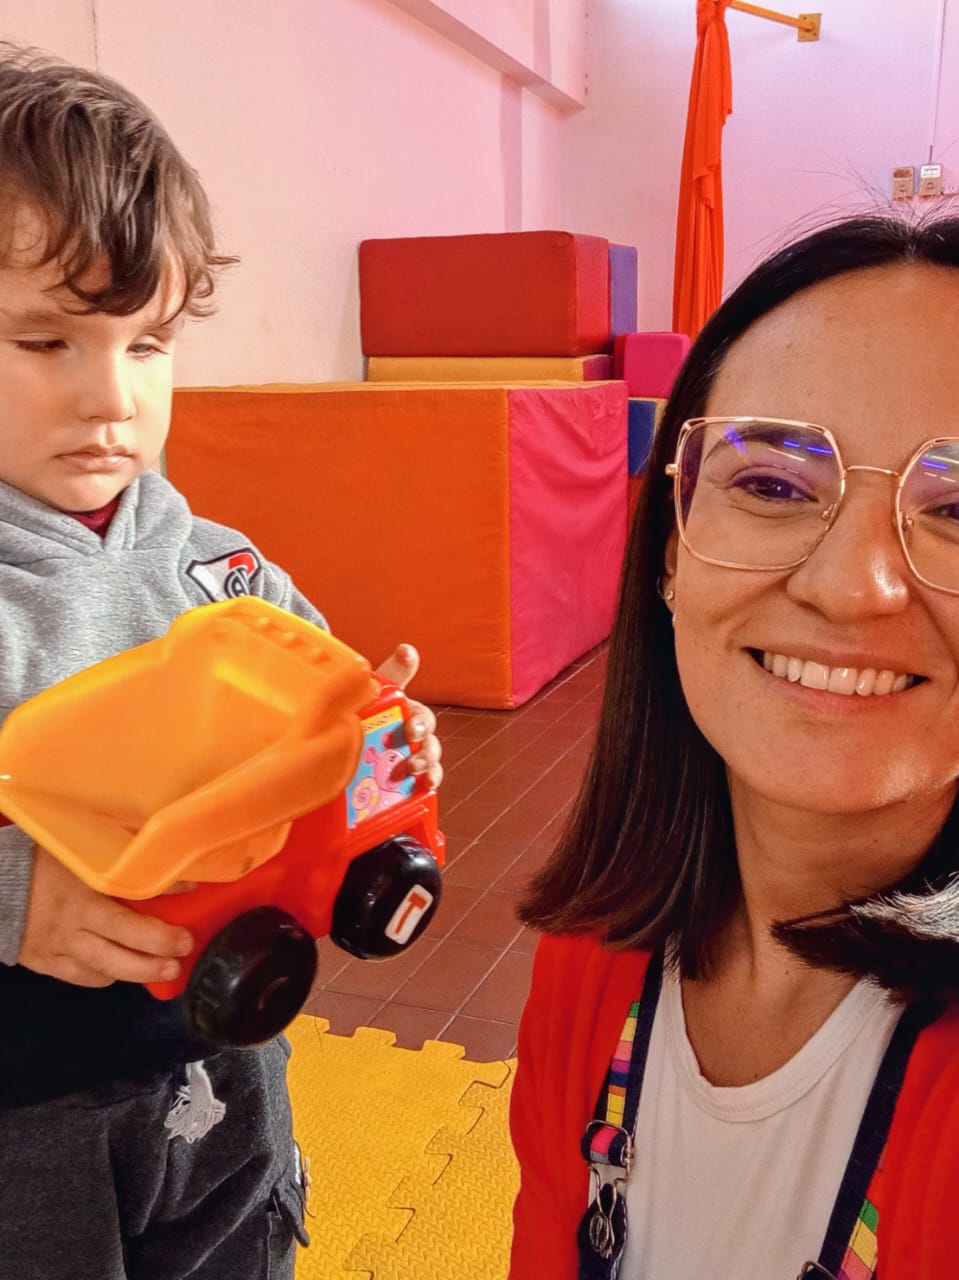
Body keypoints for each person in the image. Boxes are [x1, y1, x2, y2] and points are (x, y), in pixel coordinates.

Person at [0, 44, 443, 1280]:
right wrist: (12, 893)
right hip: (27, 1112)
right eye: (47, 344)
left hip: (230, 1045)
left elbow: (324, 725)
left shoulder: (219, 564)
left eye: (146, 346)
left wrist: (377, 743)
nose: (111, 398)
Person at [509, 212, 959, 1280]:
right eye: (769, 484)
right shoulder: (592, 953)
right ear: (667, 548)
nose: (850, 586)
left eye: (957, 510)